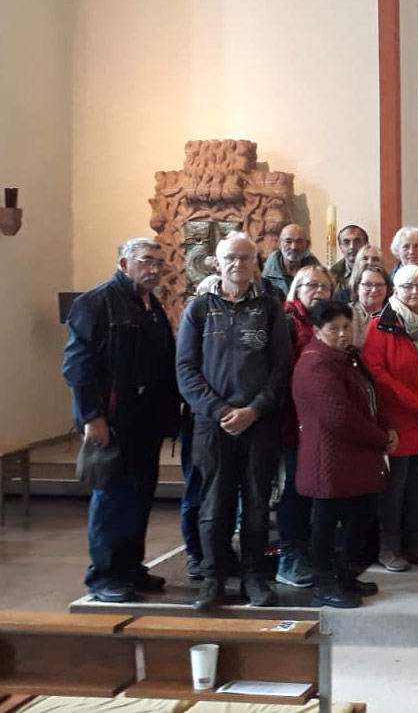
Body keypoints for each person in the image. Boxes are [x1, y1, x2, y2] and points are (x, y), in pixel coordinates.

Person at [176, 232, 292, 611]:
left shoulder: (271, 309)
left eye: (245, 258)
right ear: (217, 262)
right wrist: (220, 411)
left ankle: (255, 577)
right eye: (230, 258)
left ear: (255, 262)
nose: (238, 264)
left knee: (257, 502)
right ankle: (213, 578)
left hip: (259, 422)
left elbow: (281, 369)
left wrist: (254, 410)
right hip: (213, 425)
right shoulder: (198, 310)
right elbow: (186, 370)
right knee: (214, 502)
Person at [63, 238, 181, 602]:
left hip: (146, 417)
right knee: (112, 497)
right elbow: (76, 366)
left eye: (159, 263)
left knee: (140, 494)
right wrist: (91, 416)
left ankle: (131, 567)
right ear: (123, 263)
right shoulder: (95, 303)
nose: (154, 269)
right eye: (146, 261)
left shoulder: (151, 304)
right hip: (113, 417)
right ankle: (104, 576)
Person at [292, 299, 397, 608]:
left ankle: (346, 575)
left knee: (357, 517)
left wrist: (387, 426)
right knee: (326, 521)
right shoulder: (314, 363)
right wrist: (380, 438)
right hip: (329, 458)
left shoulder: (347, 357)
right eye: (333, 329)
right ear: (316, 331)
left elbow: (371, 394)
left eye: (347, 327)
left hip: (355, 456)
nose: (342, 334)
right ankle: (324, 582)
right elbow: (338, 416)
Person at [361, 264, 418, 572]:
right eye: (407, 286)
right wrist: (414, 403)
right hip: (398, 420)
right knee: (394, 490)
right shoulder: (380, 324)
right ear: (395, 290)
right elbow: (376, 373)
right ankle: (389, 547)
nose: (415, 292)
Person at [275, 265, 335, 590]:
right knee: (296, 490)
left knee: (317, 488)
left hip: (322, 421)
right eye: (310, 285)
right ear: (297, 289)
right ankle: (289, 555)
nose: (317, 291)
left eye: (324, 286)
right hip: (294, 419)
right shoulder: (286, 321)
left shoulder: (327, 322)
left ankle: (311, 550)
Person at [262, 224, 321, 299]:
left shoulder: (319, 275)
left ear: (307, 245)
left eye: (299, 242)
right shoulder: (266, 275)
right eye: (288, 241)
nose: (293, 247)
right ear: (279, 244)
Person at [349, 263, 391, 347]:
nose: (374, 290)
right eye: (368, 285)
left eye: (379, 285)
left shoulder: (394, 315)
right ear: (357, 288)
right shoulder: (345, 314)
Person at [329, 225, 370, 290]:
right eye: (346, 242)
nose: (352, 247)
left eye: (357, 241)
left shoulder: (377, 270)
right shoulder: (332, 275)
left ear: (366, 244)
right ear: (340, 247)